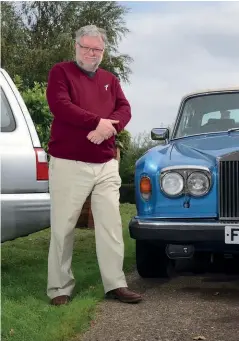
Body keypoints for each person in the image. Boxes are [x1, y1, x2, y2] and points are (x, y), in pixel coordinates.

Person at [45, 24, 142, 305]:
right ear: (76, 47)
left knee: (111, 225)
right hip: (68, 163)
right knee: (63, 228)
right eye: (86, 47)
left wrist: (107, 129)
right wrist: (95, 122)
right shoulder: (60, 72)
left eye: (96, 49)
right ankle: (59, 288)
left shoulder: (110, 79)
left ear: (103, 51)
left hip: (105, 164)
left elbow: (125, 109)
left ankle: (115, 284)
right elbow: (59, 105)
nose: (91, 53)